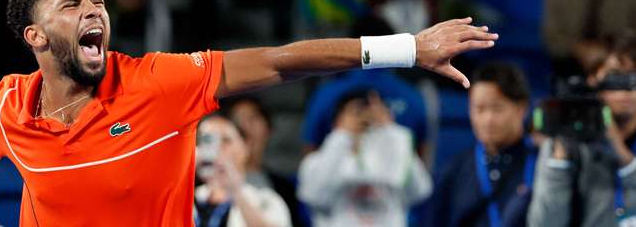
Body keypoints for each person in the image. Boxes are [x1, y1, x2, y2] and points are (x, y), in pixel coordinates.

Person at [0, 0, 498, 225]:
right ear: (37, 37)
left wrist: (408, 48)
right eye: (71, 5)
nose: (93, 9)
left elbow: (277, 62)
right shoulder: (11, 107)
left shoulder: (158, 82)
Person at [528, 36, 636, 227]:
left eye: (634, 75)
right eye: (614, 75)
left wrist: (627, 161)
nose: (623, 89)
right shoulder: (567, 140)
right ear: (593, 80)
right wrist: (559, 162)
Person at [297, 89, 432, 226]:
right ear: (335, 121)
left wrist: (391, 131)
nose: (363, 120)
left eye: (370, 118)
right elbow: (315, 196)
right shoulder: (314, 162)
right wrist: (342, 136)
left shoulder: (393, 158)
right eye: (355, 113)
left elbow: (420, 191)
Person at [427, 61, 536, 227]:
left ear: (522, 108)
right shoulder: (455, 170)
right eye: (479, 109)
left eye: (497, 108)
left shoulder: (541, 164)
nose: (488, 120)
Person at [194, 114, 292, 227]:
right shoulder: (188, 199)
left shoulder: (265, 199)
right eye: (207, 140)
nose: (218, 149)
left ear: (246, 146)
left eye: (226, 140)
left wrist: (236, 191)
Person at [225, 96, 305, 226]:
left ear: (268, 128)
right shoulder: (212, 185)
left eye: (253, 118)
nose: (246, 127)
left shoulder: (284, 188)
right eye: (238, 121)